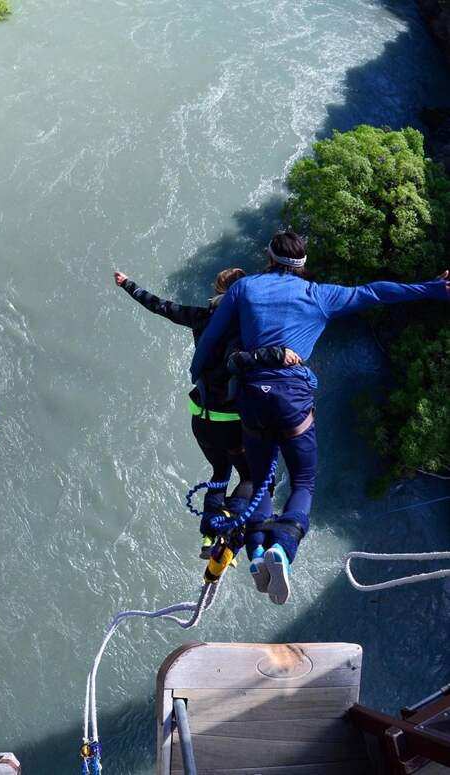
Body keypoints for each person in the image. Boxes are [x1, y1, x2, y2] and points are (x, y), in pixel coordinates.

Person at [190, 230, 450, 604]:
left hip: (251, 398)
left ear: (268, 259)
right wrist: (432, 288)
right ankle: (283, 551)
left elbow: (212, 338)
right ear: (303, 265)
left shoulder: (243, 289)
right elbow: (376, 292)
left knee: (261, 479)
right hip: (292, 399)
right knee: (303, 482)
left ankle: (259, 555)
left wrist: (199, 379)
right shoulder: (320, 295)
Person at [114, 269, 300, 556]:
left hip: (200, 419)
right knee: (253, 479)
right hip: (232, 424)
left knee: (219, 472)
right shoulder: (245, 329)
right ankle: (230, 528)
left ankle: (209, 536)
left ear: (216, 290)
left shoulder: (200, 317)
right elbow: (241, 361)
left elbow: (160, 306)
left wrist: (128, 284)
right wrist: (277, 355)